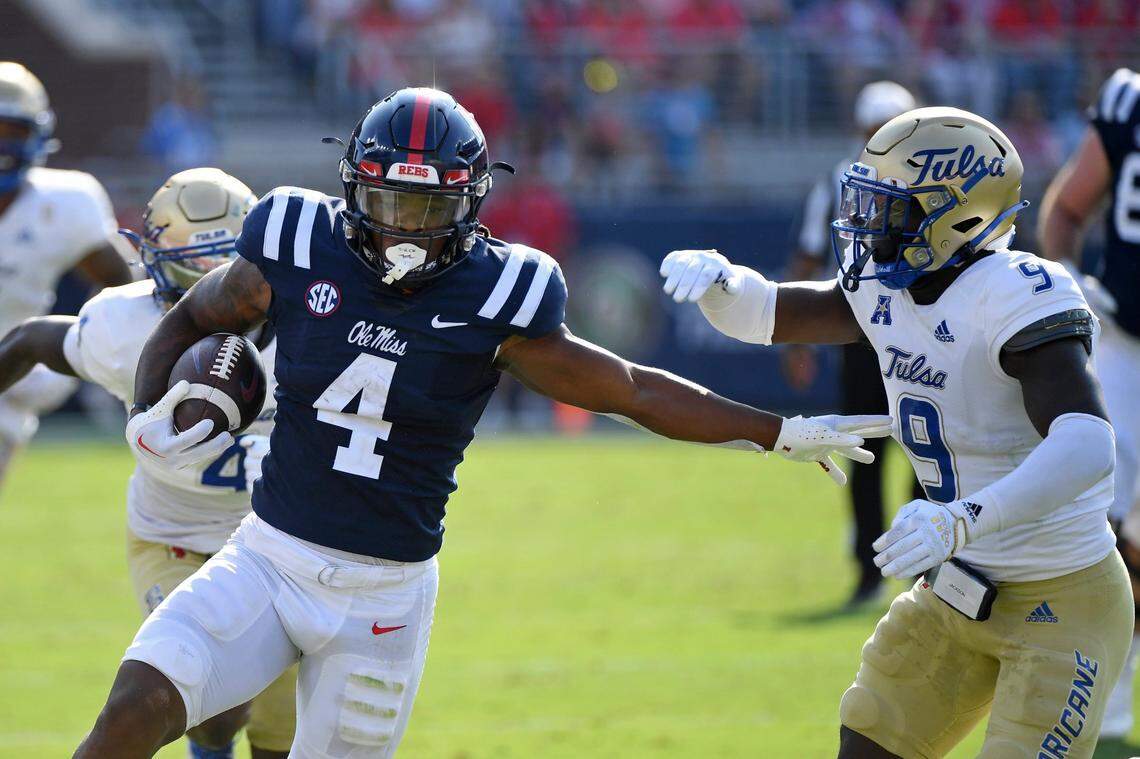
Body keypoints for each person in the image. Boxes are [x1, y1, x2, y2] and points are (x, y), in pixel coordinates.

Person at [71, 88, 891, 758]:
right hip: (268, 556)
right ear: (352, 189)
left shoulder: (497, 295)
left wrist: (775, 430)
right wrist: (148, 410)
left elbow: (631, 389)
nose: (403, 228)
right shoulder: (297, 238)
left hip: (382, 598)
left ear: (468, 204)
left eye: (425, 208)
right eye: (389, 202)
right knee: (133, 707)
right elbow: (194, 314)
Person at [661, 106, 1132, 757]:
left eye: (889, 206)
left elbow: (1087, 444)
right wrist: (722, 281)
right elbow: (766, 313)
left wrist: (961, 519)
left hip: (1063, 596)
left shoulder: (1016, 292)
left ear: (957, 214)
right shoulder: (886, 286)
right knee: (869, 739)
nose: (867, 221)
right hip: (956, 588)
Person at [0, 168, 296, 759]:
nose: (217, 294)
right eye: (194, 273)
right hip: (175, 538)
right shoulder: (126, 325)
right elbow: (31, 340)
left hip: (283, 546)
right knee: (214, 705)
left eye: (228, 269)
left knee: (282, 737)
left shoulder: (314, 330)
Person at [783, 80, 923, 607]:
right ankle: (870, 571)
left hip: (923, 336)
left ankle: (923, 569)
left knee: (929, 453)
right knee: (864, 456)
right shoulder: (839, 181)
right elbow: (808, 259)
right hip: (863, 337)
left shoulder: (928, 178)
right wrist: (797, 341)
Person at [1037, 66, 1140, 740]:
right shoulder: (1129, 98)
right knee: (1096, 531)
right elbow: (1067, 209)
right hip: (1125, 348)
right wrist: (1069, 282)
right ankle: (1103, 697)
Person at [0, 61, 132, 483]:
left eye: (13, 131)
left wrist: (76, 346)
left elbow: (126, 285)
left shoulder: (66, 203)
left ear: (38, 136)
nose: (2, 145)